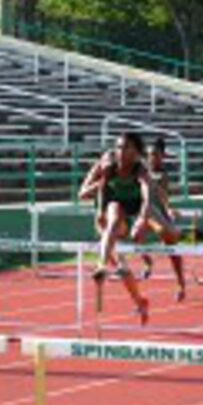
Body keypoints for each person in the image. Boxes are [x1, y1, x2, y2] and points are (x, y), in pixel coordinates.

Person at [78, 131, 149, 324]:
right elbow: (82, 193)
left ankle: (101, 265)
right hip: (104, 226)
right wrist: (102, 178)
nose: (120, 152)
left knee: (115, 211)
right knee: (122, 268)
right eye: (118, 148)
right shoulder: (105, 165)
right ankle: (140, 301)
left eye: (125, 148)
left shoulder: (137, 168)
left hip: (121, 221)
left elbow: (146, 192)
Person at [140, 137, 186, 302]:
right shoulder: (142, 171)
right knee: (135, 236)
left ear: (162, 157)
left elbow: (163, 195)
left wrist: (168, 209)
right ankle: (148, 262)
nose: (152, 158)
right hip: (145, 214)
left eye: (156, 155)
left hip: (160, 215)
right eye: (150, 155)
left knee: (173, 252)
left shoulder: (162, 174)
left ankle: (181, 283)